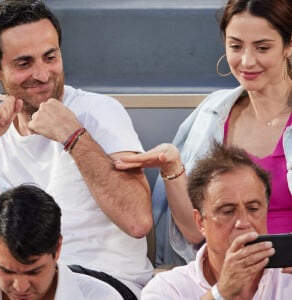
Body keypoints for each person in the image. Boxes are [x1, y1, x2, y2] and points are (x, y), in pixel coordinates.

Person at [0, 0, 153, 298]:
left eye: (50, 57)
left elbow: (138, 220)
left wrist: (73, 137)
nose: (42, 75)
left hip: (104, 281)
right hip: (20, 285)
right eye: (24, 64)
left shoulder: (99, 112)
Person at [115, 0, 292, 266]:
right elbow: (192, 231)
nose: (246, 60)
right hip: (223, 274)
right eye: (235, 46)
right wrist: (172, 167)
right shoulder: (211, 113)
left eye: (262, 47)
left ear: (289, 46)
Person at [140, 142, 292, 299]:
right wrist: (221, 293)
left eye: (253, 209)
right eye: (227, 211)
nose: (243, 222)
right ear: (200, 222)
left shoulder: (287, 278)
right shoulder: (168, 288)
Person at [0, 184, 123, 300]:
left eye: (34, 272)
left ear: (58, 248)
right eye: (7, 271)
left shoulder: (102, 297)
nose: (20, 287)